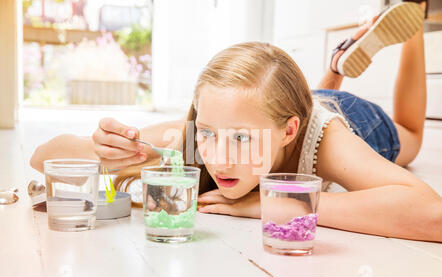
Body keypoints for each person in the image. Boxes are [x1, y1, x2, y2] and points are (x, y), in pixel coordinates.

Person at [30, 2, 441, 242]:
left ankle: (416, 25)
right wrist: (97, 148)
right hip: (290, 105)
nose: (219, 159)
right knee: (292, 104)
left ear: (289, 132)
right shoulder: (197, 135)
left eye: (242, 139)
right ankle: (335, 65)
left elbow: (431, 214)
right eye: (208, 132)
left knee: (412, 136)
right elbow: (40, 156)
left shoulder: (330, 143)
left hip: (351, 117)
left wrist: (272, 204)